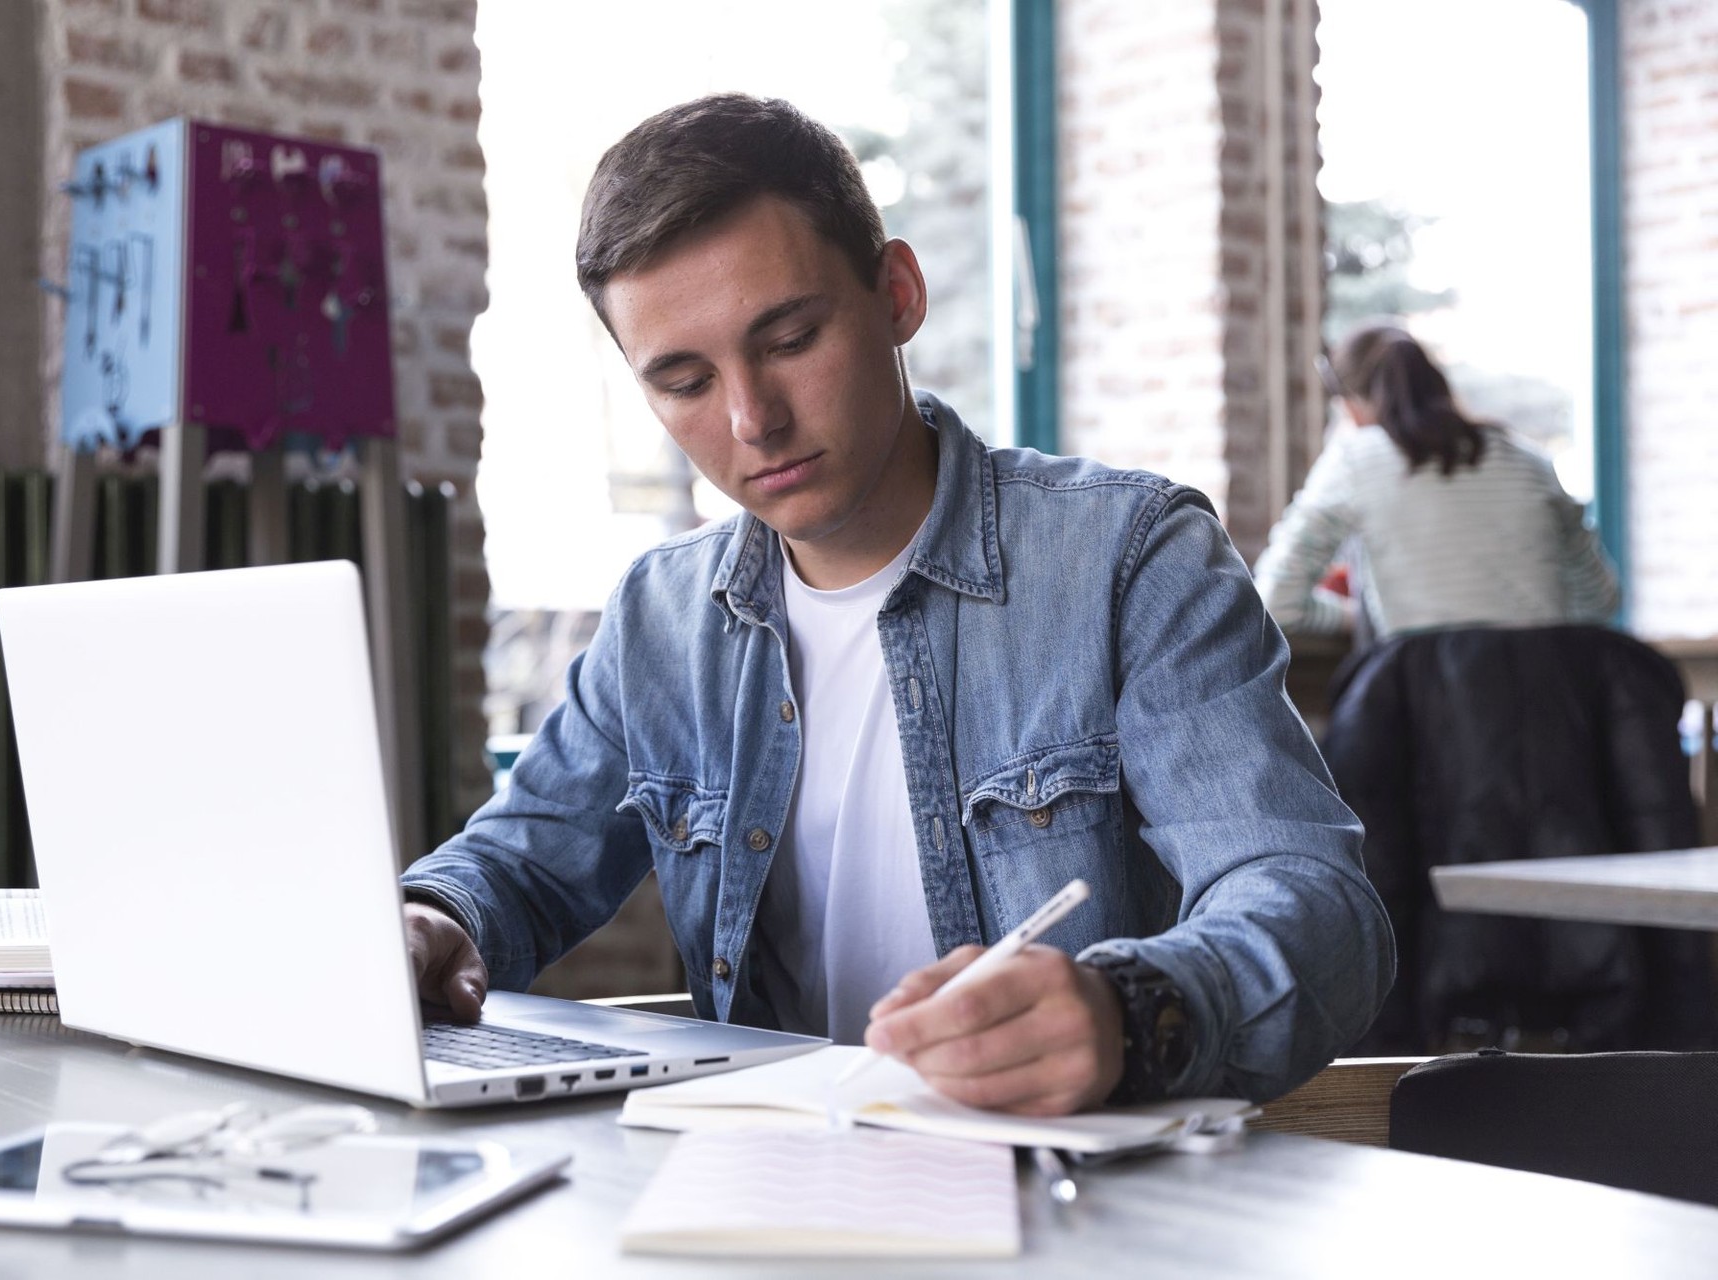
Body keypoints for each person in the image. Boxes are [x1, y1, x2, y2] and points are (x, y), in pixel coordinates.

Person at [401, 94, 1393, 1116]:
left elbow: (1316, 909)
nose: (753, 419)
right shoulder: (663, 616)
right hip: (770, 1192)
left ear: (898, 293)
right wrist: (431, 916)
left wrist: (1128, 1011)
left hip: (1070, 1201)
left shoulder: (1128, 559)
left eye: (789, 338)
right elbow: (518, 861)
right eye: (686, 381)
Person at [1252, 320, 1620, 639]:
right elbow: (1600, 600)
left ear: (1350, 405)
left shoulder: (1355, 459)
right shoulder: (1528, 460)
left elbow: (1276, 601)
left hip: (1424, 700)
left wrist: (1361, 619)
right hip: (1552, 694)